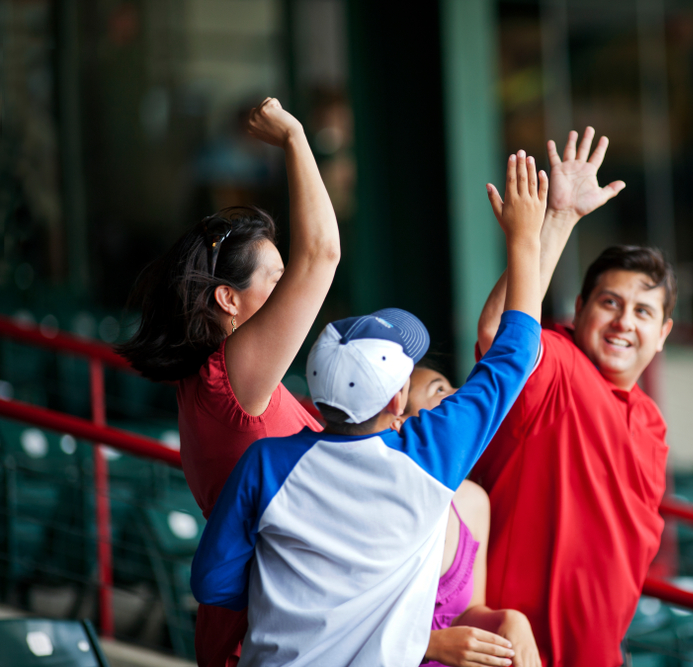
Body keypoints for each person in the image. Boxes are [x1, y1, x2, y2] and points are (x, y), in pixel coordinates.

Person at [189, 151, 547, 667]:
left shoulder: (265, 464)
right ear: (397, 399)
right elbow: (516, 355)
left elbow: (212, 582)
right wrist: (526, 237)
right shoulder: (429, 456)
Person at [117, 98, 340, 667]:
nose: (292, 290)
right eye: (277, 279)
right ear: (228, 299)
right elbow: (322, 254)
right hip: (269, 637)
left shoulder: (219, 378)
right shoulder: (229, 377)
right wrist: (294, 136)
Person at [472, 128, 677, 667]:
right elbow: (501, 337)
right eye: (610, 302)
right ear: (580, 307)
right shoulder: (559, 361)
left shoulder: (652, 424)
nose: (623, 322)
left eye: (643, 311)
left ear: (663, 335)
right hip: (514, 652)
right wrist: (558, 220)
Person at [400, 365, 541, 667]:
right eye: (439, 390)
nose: (460, 395)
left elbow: (468, 613)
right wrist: (427, 645)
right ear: (399, 421)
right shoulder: (376, 505)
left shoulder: (473, 500)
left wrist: (510, 620)